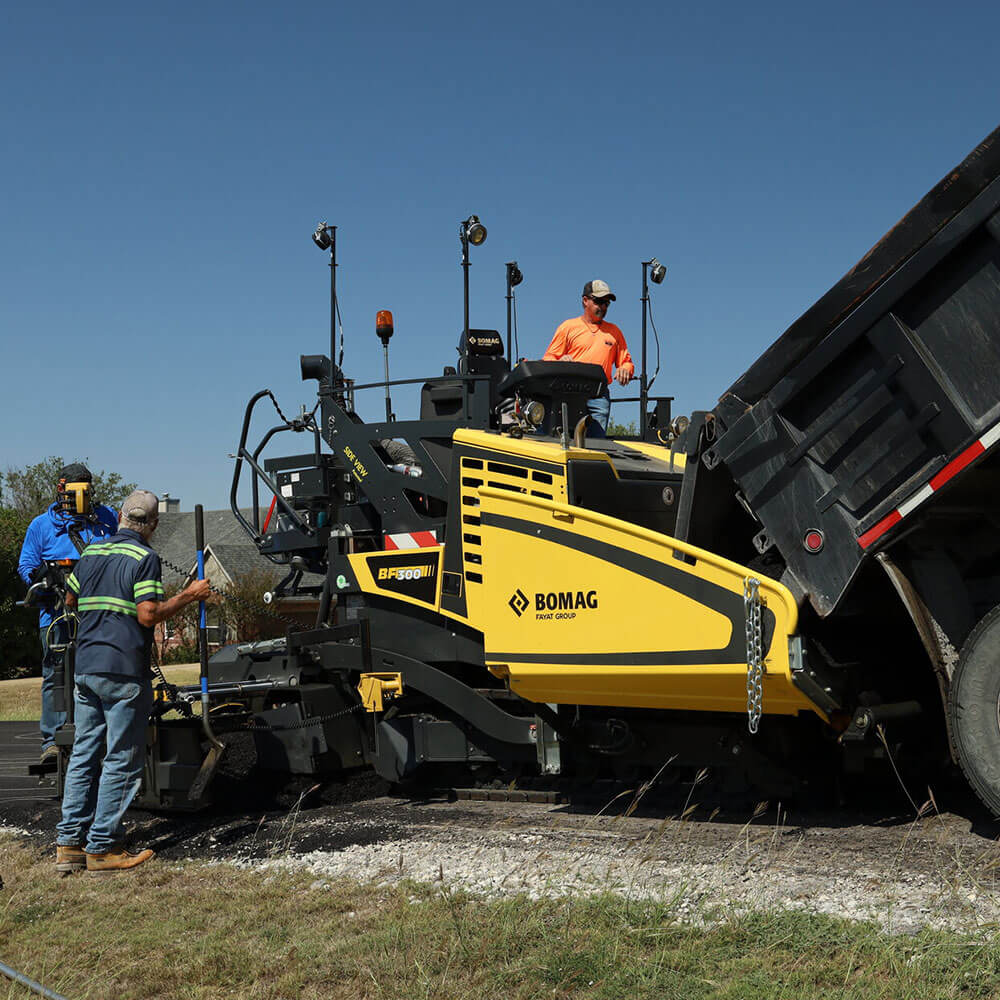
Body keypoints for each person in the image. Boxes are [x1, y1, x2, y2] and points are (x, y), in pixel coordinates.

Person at [54, 490, 211, 875]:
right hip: (123, 670)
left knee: (84, 754)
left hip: (86, 668)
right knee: (121, 758)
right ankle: (104, 848)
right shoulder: (145, 558)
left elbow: (71, 601)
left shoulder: (91, 552)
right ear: (152, 526)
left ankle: (69, 844)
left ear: (121, 517)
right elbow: (148, 614)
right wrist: (189, 595)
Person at [18, 463, 118, 765]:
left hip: (99, 613)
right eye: (74, 490)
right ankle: (53, 740)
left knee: (105, 673)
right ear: (61, 489)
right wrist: (44, 578)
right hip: (57, 614)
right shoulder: (41, 526)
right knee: (56, 675)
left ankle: (104, 736)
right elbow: (26, 567)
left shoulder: (106, 518)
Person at [542, 279, 635, 437]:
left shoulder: (614, 331)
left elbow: (626, 361)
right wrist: (560, 361)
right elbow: (548, 358)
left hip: (599, 394)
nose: (603, 307)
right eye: (599, 302)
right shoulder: (568, 327)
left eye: (607, 303)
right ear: (585, 301)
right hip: (569, 391)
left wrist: (625, 369)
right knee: (563, 438)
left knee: (596, 443)